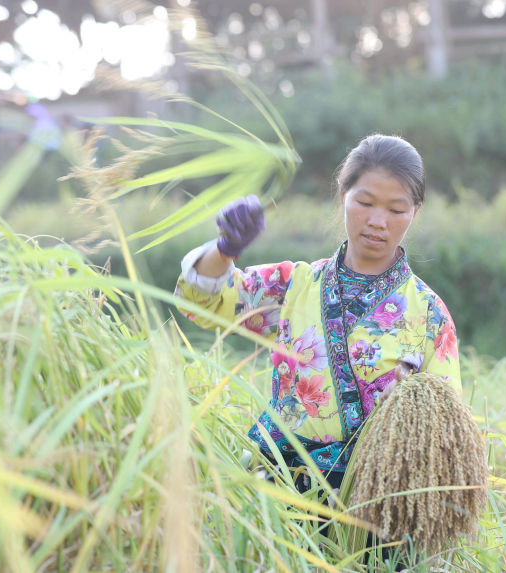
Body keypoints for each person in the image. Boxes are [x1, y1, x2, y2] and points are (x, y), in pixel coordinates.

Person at [175, 134, 461, 493]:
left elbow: (448, 428)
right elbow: (203, 305)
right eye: (365, 202)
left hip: (372, 505)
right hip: (278, 487)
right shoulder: (293, 284)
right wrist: (225, 249)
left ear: (415, 213)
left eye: (396, 210)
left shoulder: (429, 314)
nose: (377, 220)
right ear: (344, 197)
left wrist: (406, 407)